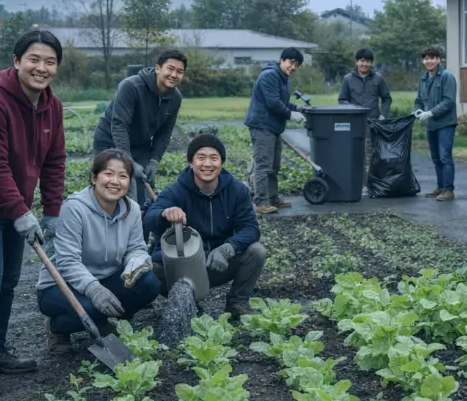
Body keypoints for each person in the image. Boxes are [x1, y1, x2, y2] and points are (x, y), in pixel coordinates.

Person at [0, 30, 67, 398]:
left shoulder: (51, 106)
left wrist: (52, 210)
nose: (42, 68)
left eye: (50, 61)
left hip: (17, 208)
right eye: (34, 59)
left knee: (7, 282)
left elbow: (55, 161)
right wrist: (21, 210)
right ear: (17, 61)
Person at [36, 150, 161, 353]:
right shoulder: (74, 209)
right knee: (91, 308)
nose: (115, 181)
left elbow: (137, 248)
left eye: (122, 176)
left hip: (106, 278)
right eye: (108, 174)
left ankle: (113, 321)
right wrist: (94, 290)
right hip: (61, 284)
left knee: (149, 284)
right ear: (95, 177)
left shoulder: (133, 210)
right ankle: (57, 327)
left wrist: (134, 267)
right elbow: (68, 262)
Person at [142, 134, 266, 319]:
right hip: (182, 267)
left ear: (221, 163)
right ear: (191, 163)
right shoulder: (175, 190)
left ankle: (237, 303)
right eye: (201, 157)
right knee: (150, 270)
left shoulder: (236, 190)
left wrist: (228, 248)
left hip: (217, 263)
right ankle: (187, 302)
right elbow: (149, 219)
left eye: (214, 158)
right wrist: (164, 213)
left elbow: (250, 227)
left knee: (256, 252)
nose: (207, 164)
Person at [92, 49, 186, 203]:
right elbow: (119, 125)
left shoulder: (175, 97)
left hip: (140, 144)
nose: (174, 75)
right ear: (158, 68)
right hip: (109, 141)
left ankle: (140, 223)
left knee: (144, 192)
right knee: (112, 188)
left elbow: (165, 132)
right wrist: (129, 162)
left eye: (179, 71)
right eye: (170, 69)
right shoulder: (131, 86)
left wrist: (154, 161)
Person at [245, 48, 306, 214]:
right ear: (282, 60)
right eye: (291, 62)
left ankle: (273, 198)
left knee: (274, 166)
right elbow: (273, 103)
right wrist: (290, 114)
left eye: (297, 65)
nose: (293, 67)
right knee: (263, 165)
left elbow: (283, 101)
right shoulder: (270, 75)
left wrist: (297, 108)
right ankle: (261, 203)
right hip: (262, 125)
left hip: (273, 127)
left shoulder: (283, 78)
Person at [338, 47, 392, 188]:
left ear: (371, 63)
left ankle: (370, 185)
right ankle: (356, 184)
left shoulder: (378, 78)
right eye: (362, 61)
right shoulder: (348, 79)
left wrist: (383, 116)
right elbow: (342, 100)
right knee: (355, 155)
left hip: (373, 123)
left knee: (371, 156)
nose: (365, 64)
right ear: (357, 62)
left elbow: (386, 98)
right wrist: (350, 111)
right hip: (354, 124)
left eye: (368, 61)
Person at [412, 45, 458, 201]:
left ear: (438, 60)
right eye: (426, 58)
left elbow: (449, 101)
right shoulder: (423, 79)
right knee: (436, 158)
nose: (429, 61)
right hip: (430, 125)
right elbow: (418, 100)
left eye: (432, 58)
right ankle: (440, 187)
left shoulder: (447, 77)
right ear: (422, 61)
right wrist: (416, 111)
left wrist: (431, 112)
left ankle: (449, 190)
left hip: (445, 124)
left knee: (445, 157)